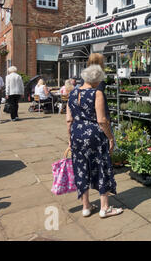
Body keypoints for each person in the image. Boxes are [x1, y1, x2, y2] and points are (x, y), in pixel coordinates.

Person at [66, 65, 122, 218]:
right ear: (96, 80)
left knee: (81, 168)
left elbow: (69, 119)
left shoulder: (72, 93)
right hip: (94, 135)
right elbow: (102, 120)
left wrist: (70, 139)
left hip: (77, 134)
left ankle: (86, 207)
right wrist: (111, 138)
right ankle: (105, 207)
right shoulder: (96, 93)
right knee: (101, 166)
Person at [85, 53, 110, 120]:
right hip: (97, 114)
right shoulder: (98, 77)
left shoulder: (85, 76)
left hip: (86, 113)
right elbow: (98, 95)